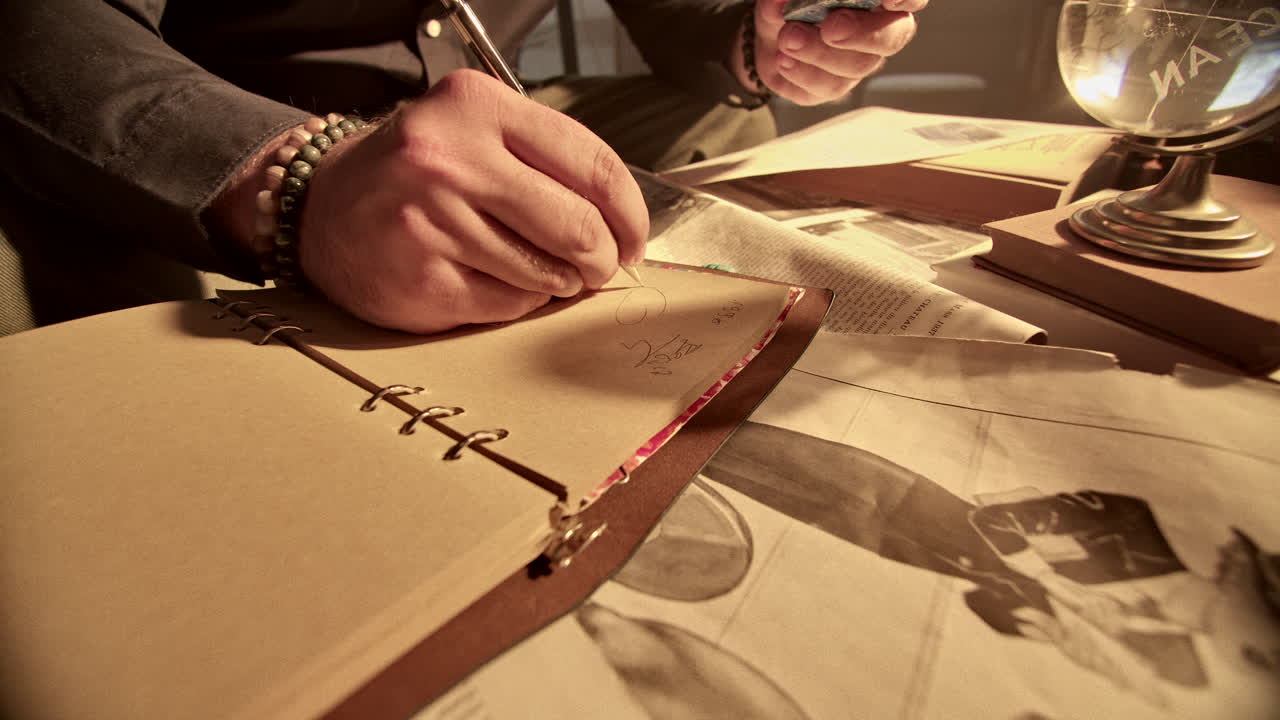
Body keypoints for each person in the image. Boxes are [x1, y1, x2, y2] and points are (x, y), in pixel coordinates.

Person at [0, 0, 925, 336]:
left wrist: (759, 41)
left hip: (492, 112)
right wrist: (297, 180)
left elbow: (672, 20)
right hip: (255, 139)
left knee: (713, 111)